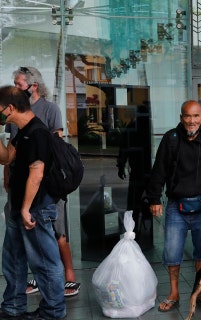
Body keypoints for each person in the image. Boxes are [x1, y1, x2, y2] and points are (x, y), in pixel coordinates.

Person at [145, 100, 201, 312]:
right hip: (176, 206)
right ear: (181, 118)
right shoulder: (171, 139)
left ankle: (199, 290)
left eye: (196, 116)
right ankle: (174, 292)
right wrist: (154, 199)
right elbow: (159, 170)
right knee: (172, 253)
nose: (192, 121)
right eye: (187, 117)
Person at [6, 66, 81, 297]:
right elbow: (10, 153)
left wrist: (48, 180)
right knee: (26, 236)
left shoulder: (49, 110)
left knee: (57, 233)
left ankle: (69, 278)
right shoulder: (13, 114)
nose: (15, 88)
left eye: (18, 85)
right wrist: (7, 178)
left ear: (33, 86)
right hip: (21, 183)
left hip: (46, 184)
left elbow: (57, 150)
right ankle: (41, 283)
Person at [0, 86, 66, 319]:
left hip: (36, 207)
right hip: (20, 206)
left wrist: (27, 209)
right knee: (13, 260)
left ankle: (53, 311)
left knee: (45, 263)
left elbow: (37, 172)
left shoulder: (38, 132)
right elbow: (6, 158)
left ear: (9, 108)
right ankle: (13, 306)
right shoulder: (22, 131)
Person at [116, 103, 153, 250]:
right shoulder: (137, 127)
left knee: (137, 202)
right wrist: (121, 165)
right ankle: (134, 229)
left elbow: (123, 149)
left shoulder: (141, 126)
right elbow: (124, 148)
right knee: (135, 203)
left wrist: (121, 165)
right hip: (141, 170)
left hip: (143, 171)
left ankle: (137, 229)